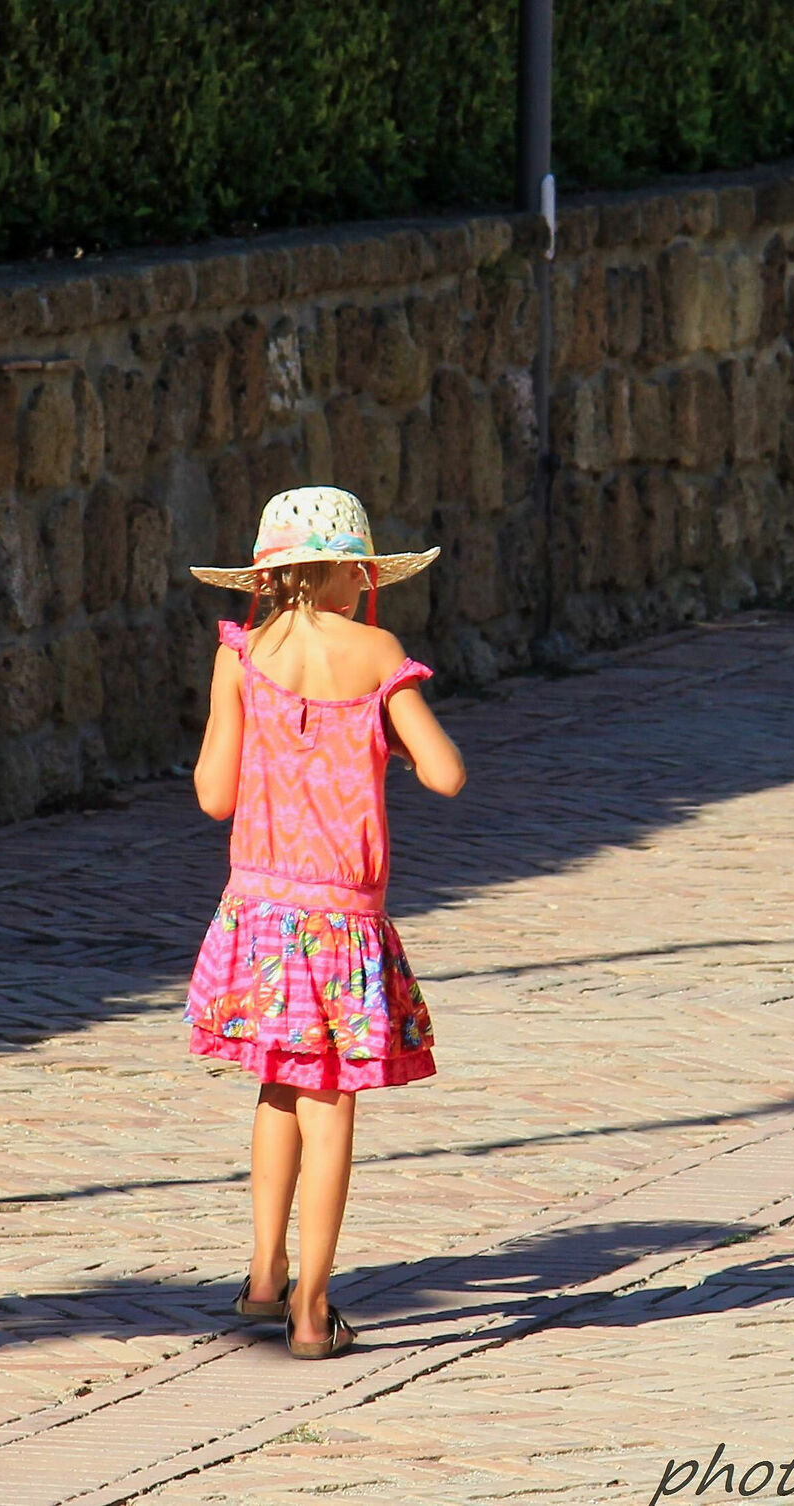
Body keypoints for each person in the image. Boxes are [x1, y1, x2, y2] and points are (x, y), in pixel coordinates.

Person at [184, 487, 466, 1359]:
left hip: (260, 913)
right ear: (350, 573)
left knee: (277, 1083)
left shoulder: (242, 655)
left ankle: (264, 1275)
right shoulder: (377, 650)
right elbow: (446, 773)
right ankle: (313, 1307)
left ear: (269, 577)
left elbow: (214, 794)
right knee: (331, 1099)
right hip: (343, 919)